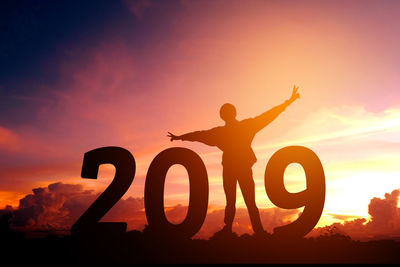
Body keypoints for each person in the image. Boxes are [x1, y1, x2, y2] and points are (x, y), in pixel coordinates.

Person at [167, 86, 300, 235]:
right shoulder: (242, 127)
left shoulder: (225, 131)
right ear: (232, 114)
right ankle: (248, 230)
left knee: (236, 200)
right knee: (243, 200)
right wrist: (288, 102)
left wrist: (181, 137)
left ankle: (242, 229)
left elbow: (199, 135)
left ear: (223, 116)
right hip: (235, 167)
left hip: (235, 167)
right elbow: (268, 116)